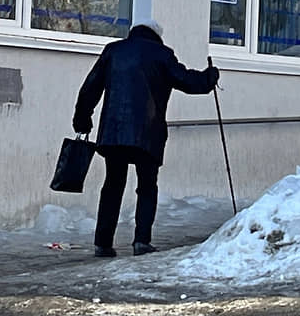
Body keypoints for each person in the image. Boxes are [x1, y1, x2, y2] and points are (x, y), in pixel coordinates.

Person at [73, 19, 219, 257]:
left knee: (112, 184)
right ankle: (141, 241)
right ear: (157, 35)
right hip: (148, 133)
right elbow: (188, 81)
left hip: (115, 131)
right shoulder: (162, 54)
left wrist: (82, 118)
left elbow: (90, 88)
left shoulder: (114, 51)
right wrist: (210, 77)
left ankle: (102, 243)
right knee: (147, 186)